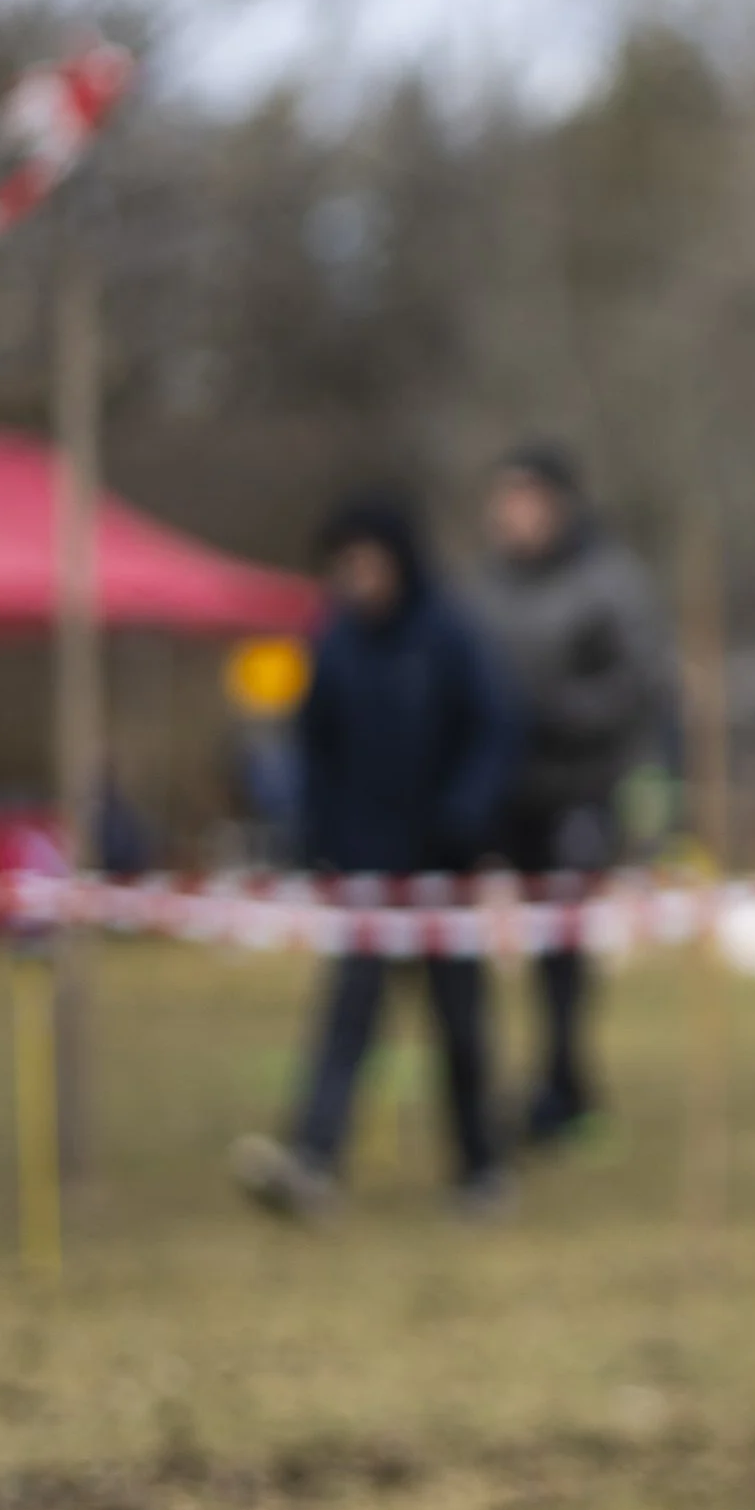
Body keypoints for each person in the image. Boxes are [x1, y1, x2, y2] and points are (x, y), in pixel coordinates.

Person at [231, 495, 516, 1220]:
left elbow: (493, 731)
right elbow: (313, 749)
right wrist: (316, 836)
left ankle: (481, 1168)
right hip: (365, 869)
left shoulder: (450, 637)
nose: (357, 576)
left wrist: (464, 819)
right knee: (346, 1020)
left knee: (460, 1024)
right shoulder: (335, 642)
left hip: (444, 869)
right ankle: (313, 1160)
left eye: (368, 561)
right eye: (345, 563)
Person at [469, 444, 673, 1142]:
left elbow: (640, 684)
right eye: (506, 499)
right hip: (505, 790)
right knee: (500, 946)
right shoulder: (487, 588)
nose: (514, 514)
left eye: (527, 498)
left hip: (582, 787)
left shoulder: (608, 582)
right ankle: (515, 1087)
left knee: (564, 948)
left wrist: (556, 710)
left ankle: (564, 1082)